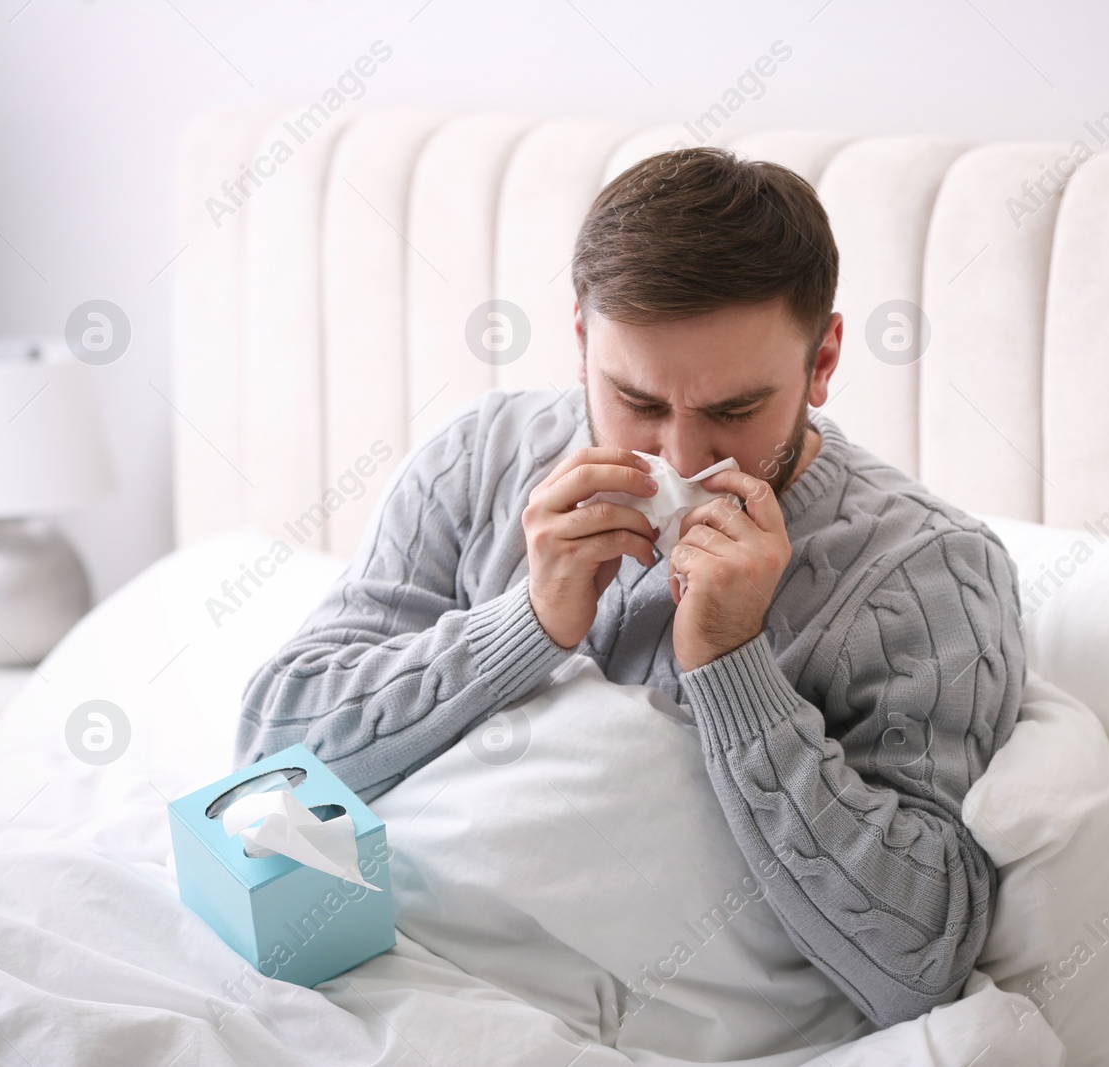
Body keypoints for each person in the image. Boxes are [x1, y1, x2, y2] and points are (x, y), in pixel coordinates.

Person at [235, 145, 1026, 1029]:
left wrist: (732, 667)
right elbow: (267, 756)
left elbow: (918, 962)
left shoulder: (926, 570)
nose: (680, 458)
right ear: (580, 341)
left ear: (824, 359)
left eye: (734, 410)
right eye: (637, 400)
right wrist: (525, 623)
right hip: (363, 986)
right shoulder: (480, 454)